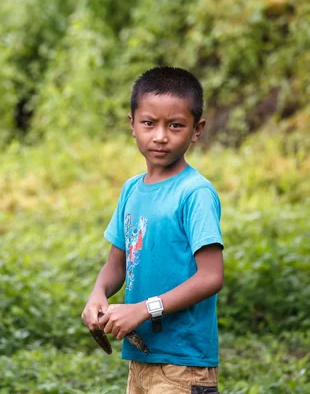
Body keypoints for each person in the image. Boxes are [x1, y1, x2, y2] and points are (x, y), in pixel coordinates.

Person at [81, 66, 224, 394]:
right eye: (149, 123)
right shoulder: (132, 189)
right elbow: (116, 265)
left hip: (184, 364)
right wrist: (98, 293)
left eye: (175, 125)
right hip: (141, 360)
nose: (160, 136)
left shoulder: (195, 193)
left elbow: (211, 276)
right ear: (132, 124)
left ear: (197, 129)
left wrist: (145, 308)